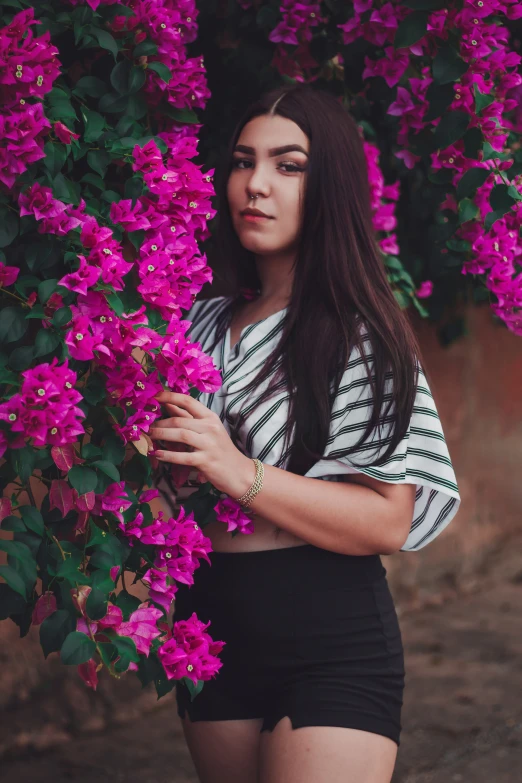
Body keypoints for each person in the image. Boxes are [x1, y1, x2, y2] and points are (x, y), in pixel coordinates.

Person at [150, 84, 461, 783]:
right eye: (242, 161)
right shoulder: (195, 323)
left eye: (288, 165)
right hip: (210, 622)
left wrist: (237, 470)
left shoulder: (361, 333)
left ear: (330, 186)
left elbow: (388, 517)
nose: (256, 185)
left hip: (327, 629)